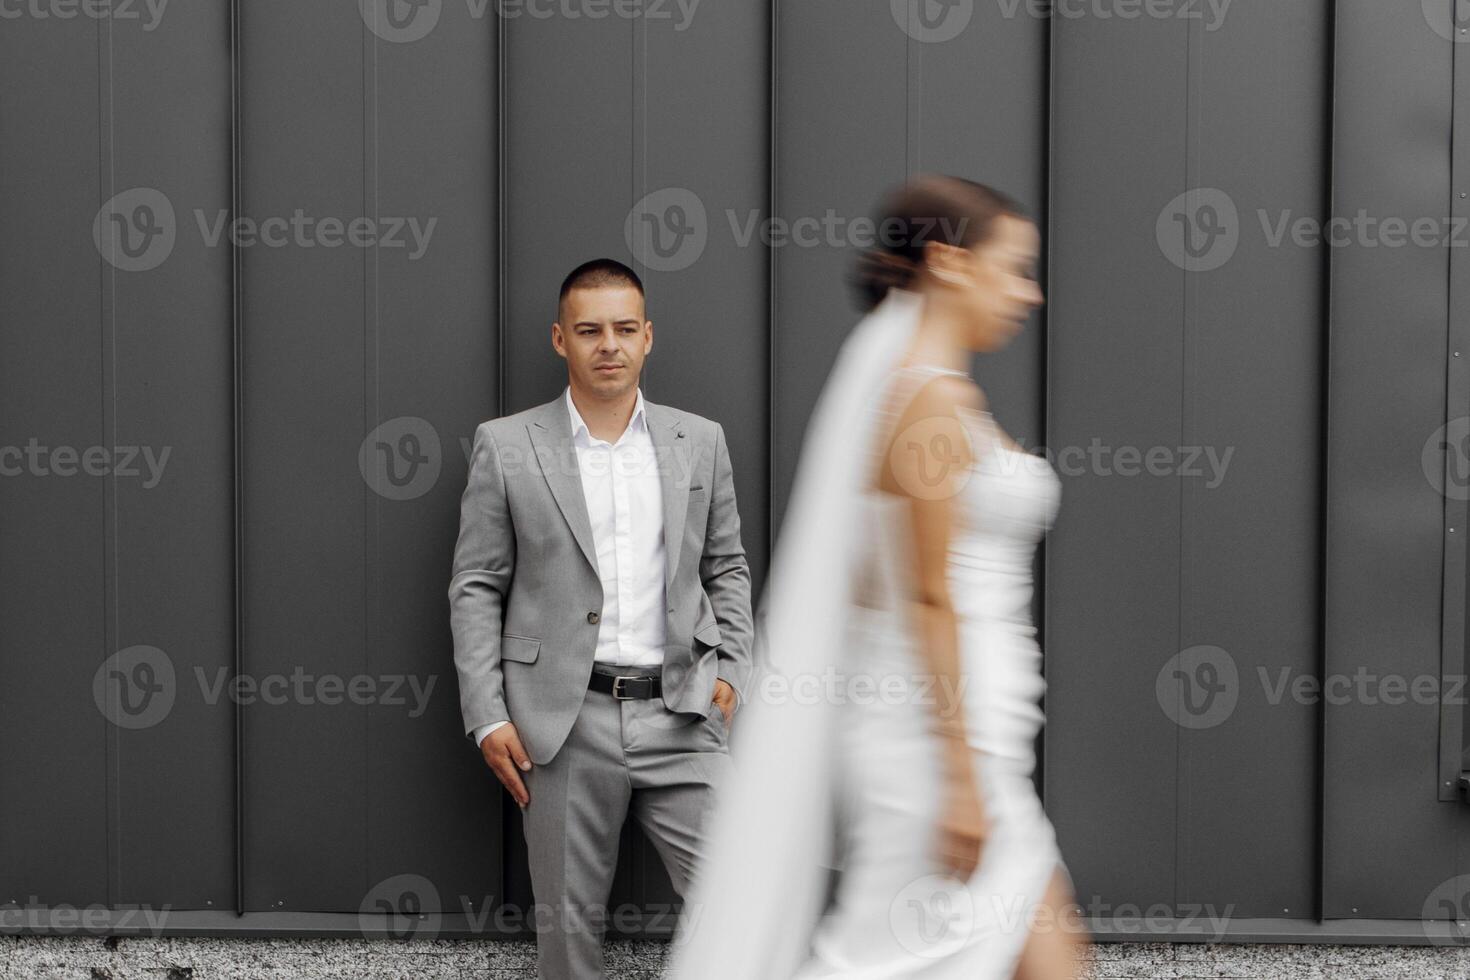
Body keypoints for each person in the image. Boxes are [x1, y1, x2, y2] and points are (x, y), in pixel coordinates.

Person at [666, 176, 1088, 979]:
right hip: (933, 752)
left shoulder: (944, 396)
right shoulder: (924, 409)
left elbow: (863, 586)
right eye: (1014, 267)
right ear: (949, 263)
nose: (1029, 293)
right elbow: (929, 599)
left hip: (983, 744)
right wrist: (960, 781)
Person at [448, 258, 754, 980]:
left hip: (681, 711)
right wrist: (488, 716)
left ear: (648, 337)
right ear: (561, 339)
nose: (607, 345)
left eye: (623, 329)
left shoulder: (698, 440)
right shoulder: (507, 444)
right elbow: (476, 583)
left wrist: (734, 670)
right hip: (562, 726)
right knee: (568, 938)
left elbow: (728, 566)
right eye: (589, 330)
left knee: (743, 903)